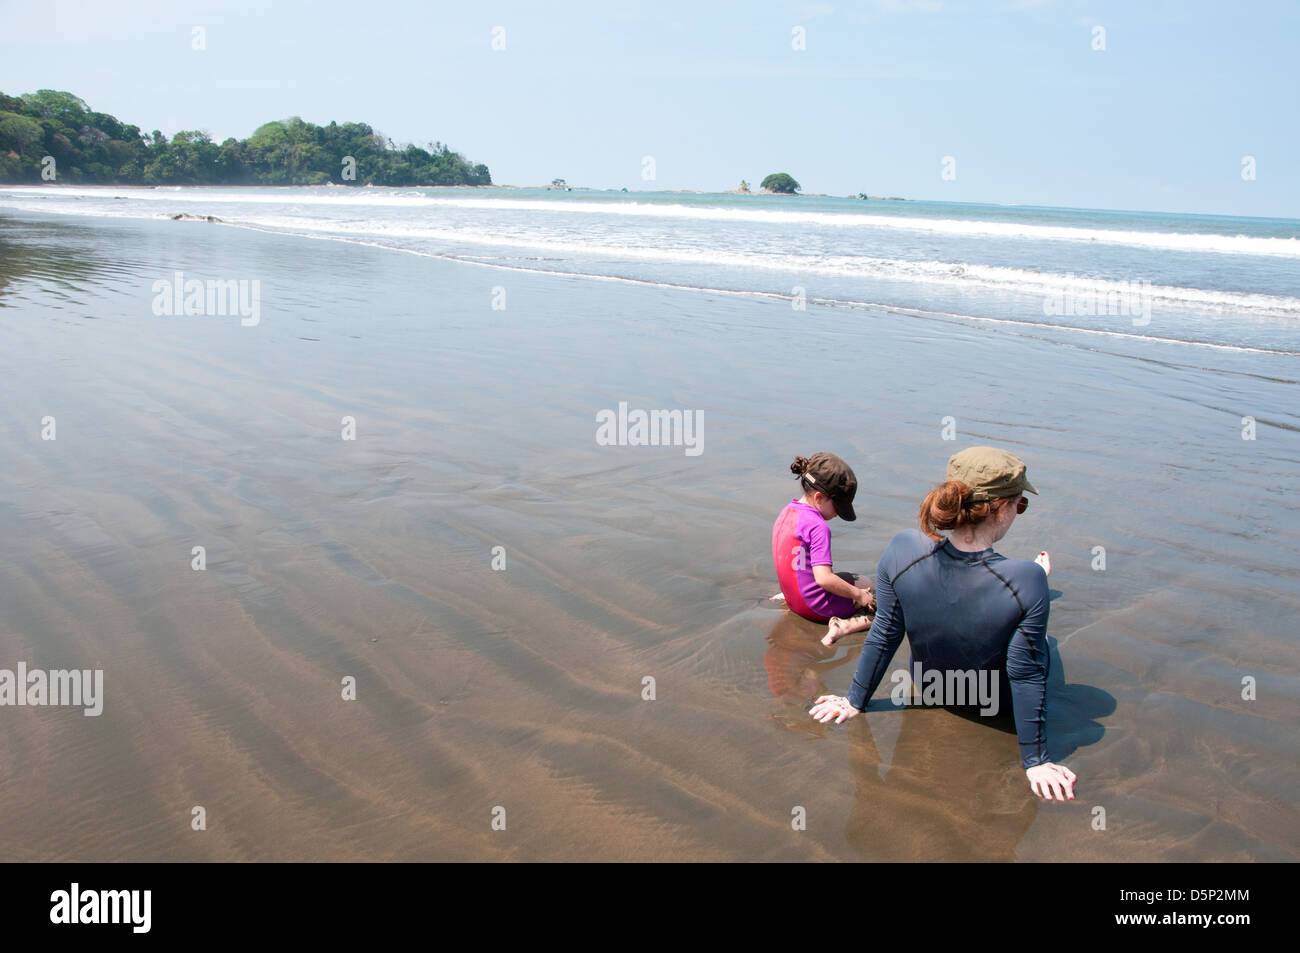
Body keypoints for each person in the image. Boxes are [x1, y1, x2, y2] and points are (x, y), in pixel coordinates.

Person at [808, 446, 1077, 801]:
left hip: (933, 688)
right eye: (1019, 504)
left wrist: (854, 701)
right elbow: (1024, 672)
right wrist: (1036, 760)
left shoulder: (902, 548)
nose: (1018, 511)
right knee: (1039, 634)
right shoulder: (1026, 581)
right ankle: (1025, 580)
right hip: (993, 704)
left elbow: (886, 632)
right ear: (999, 509)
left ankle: (1015, 588)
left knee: (1017, 592)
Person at [770, 453, 875, 640]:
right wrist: (859, 595)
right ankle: (843, 626)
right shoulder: (818, 527)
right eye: (838, 507)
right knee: (878, 602)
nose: (838, 514)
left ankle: (789, 596)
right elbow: (824, 579)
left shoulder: (787, 512)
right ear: (819, 498)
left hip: (793, 597)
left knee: (864, 581)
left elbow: (787, 558)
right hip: (815, 608)